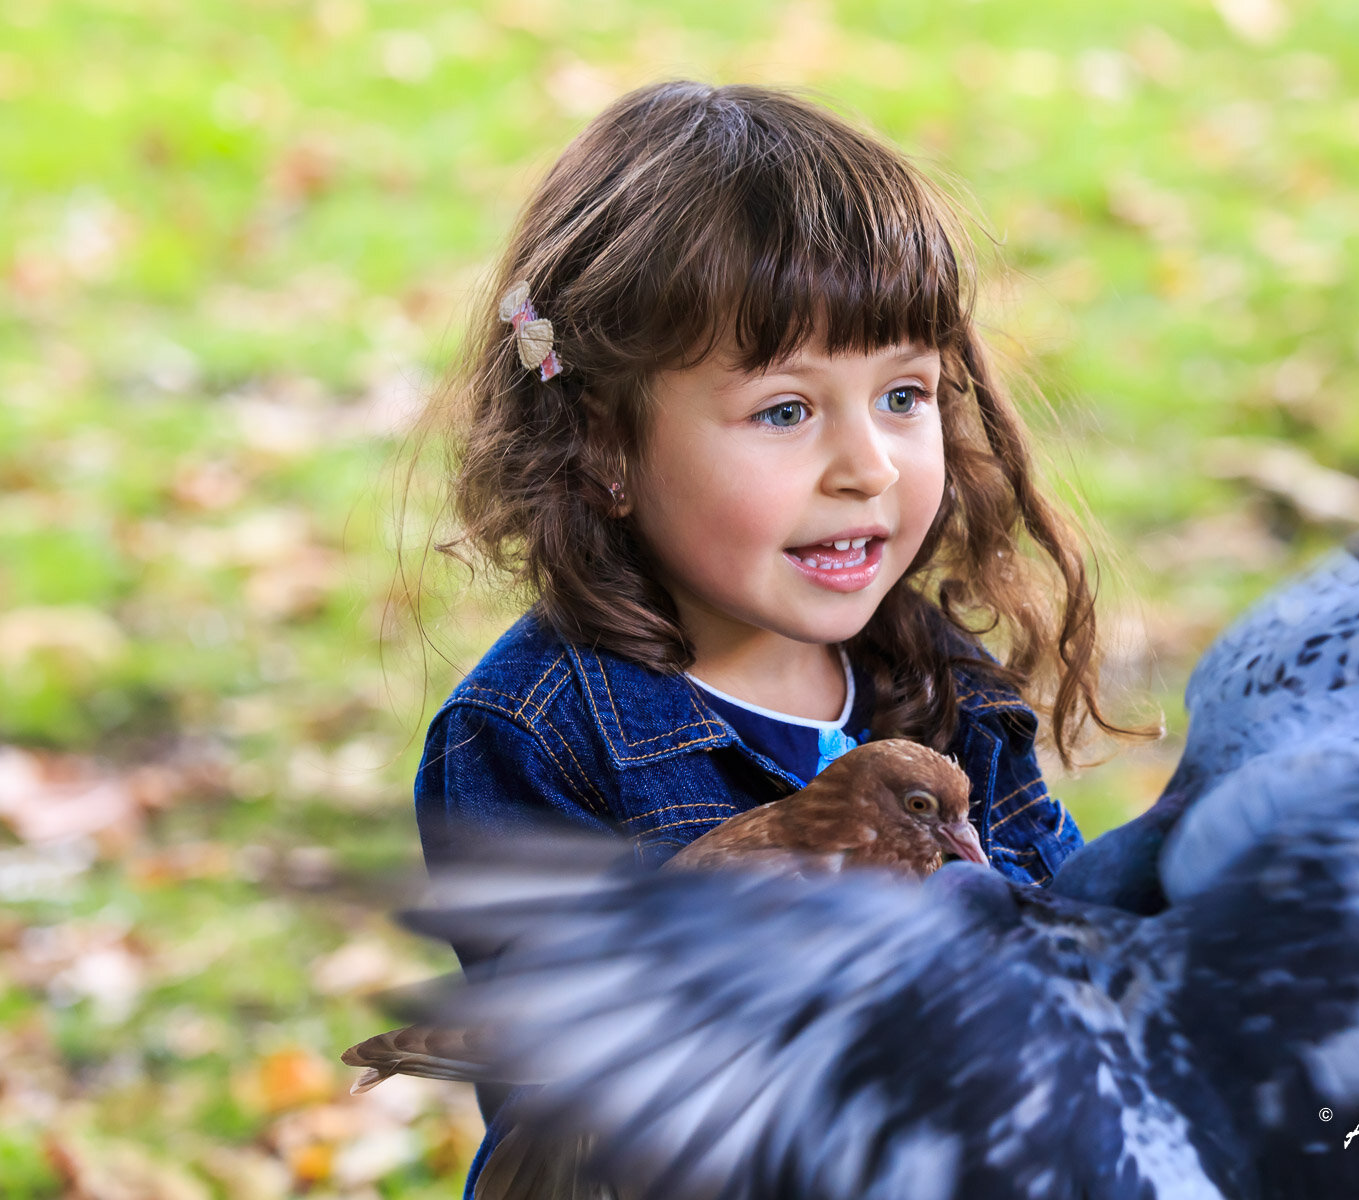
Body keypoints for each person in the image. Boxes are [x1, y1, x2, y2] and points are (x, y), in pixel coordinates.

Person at [410, 79, 1155, 1196]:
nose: (868, 466)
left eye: (905, 394)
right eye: (786, 411)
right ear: (607, 447)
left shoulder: (942, 686)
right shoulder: (537, 738)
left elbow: (1063, 939)